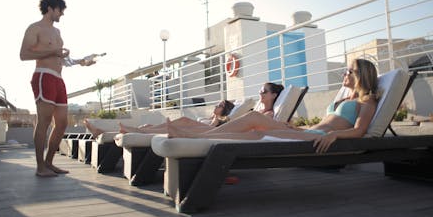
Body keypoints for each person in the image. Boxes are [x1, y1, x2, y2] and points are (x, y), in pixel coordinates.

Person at [168, 58, 380, 154]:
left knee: (255, 126)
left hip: (319, 139)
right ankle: (194, 137)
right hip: (308, 133)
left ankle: (194, 137)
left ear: (362, 75)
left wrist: (334, 135)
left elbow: (360, 130)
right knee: (254, 130)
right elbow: (326, 122)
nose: (344, 74)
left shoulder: (366, 100)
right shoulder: (344, 100)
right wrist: (297, 128)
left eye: (349, 71)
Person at [20, 0, 95, 177]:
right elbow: (23, 55)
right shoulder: (34, 28)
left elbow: (61, 59)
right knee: (44, 122)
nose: (62, 14)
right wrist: (52, 51)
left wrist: (81, 62)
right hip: (43, 77)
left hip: (59, 79)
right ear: (50, 9)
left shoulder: (57, 33)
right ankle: (40, 168)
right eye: (60, 10)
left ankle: (49, 163)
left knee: (61, 123)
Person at [84, 82, 284, 137]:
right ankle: (130, 131)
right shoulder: (258, 110)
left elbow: (270, 128)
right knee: (183, 123)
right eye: (260, 90)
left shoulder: (268, 114)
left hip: (226, 133)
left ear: (274, 95)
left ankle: (133, 131)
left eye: (263, 91)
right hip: (223, 130)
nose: (260, 93)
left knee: (184, 124)